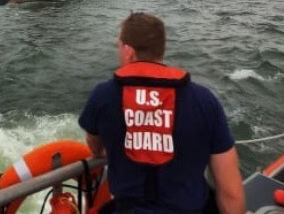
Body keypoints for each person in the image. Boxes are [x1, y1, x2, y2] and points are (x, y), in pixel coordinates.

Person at [79, 12, 245, 214]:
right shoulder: (205, 101)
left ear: (128, 51)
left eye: (118, 47)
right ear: (161, 50)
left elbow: (94, 144)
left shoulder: (102, 96)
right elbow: (231, 192)